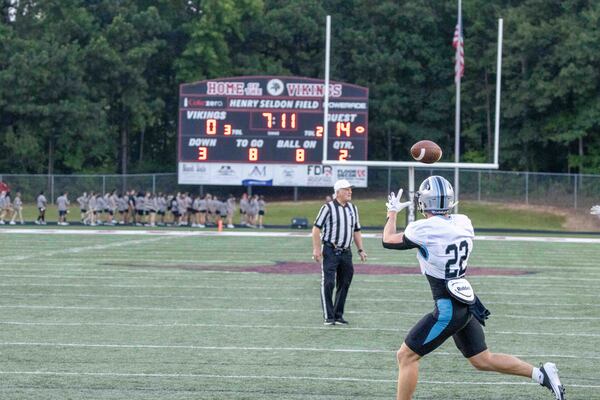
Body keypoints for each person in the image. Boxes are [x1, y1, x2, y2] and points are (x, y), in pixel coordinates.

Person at [381, 176, 565, 400]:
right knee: (482, 359)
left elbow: (388, 239)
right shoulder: (463, 221)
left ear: (424, 202)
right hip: (466, 301)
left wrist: (392, 212)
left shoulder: (423, 229)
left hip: (447, 307)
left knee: (406, 356)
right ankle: (542, 374)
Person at [311, 179, 367, 325]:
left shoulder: (353, 208)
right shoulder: (327, 208)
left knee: (345, 282)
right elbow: (316, 229)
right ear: (337, 192)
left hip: (346, 252)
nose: (349, 192)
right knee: (329, 283)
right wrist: (317, 249)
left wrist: (360, 249)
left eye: (350, 189)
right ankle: (328, 316)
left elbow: (356, 230)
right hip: (330, 249)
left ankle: (338, 314)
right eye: (346, 189)